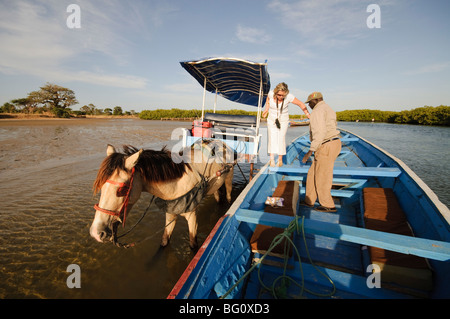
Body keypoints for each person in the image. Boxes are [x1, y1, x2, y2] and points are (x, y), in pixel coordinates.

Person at [301, 92, 341, 212]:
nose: (309, 105)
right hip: (331, 143)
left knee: (323, 176)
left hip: (326, 145)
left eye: (310, 103)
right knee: (312, 173)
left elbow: (320, 132)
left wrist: (310, 150)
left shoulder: (317, 111)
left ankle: (328, 205)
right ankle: (310, 200)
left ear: (316, 100)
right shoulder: (327, 108)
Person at [262, 82, 310, 167]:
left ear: (286, 93)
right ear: (276, 92)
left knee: (281, 137)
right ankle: (272, 159)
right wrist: (266, 109)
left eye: (282, 95)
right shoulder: (271, 93)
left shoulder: (289, 96)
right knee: (272, 137)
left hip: (283, 119)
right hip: (272, 118)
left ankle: (280, 159)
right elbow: (268, 100)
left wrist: (308, 114)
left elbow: (300, 104)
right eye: (279, 95)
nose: (280, 97)